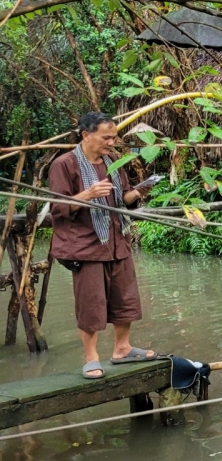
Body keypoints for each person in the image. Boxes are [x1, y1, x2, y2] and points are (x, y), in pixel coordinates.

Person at [49, 112, 159, 379]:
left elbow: (123, 197)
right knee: (91, 303)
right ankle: (91, 357)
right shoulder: (64, 164)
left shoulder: (112, 161)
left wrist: (140, 191)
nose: (112, 142)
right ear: (86, 135)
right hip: (86, 247)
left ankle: (122, 348)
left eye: (114, 137)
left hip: (116, 240)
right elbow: (58, 207)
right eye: (106, 137)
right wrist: (87, 194)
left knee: (126, 299)